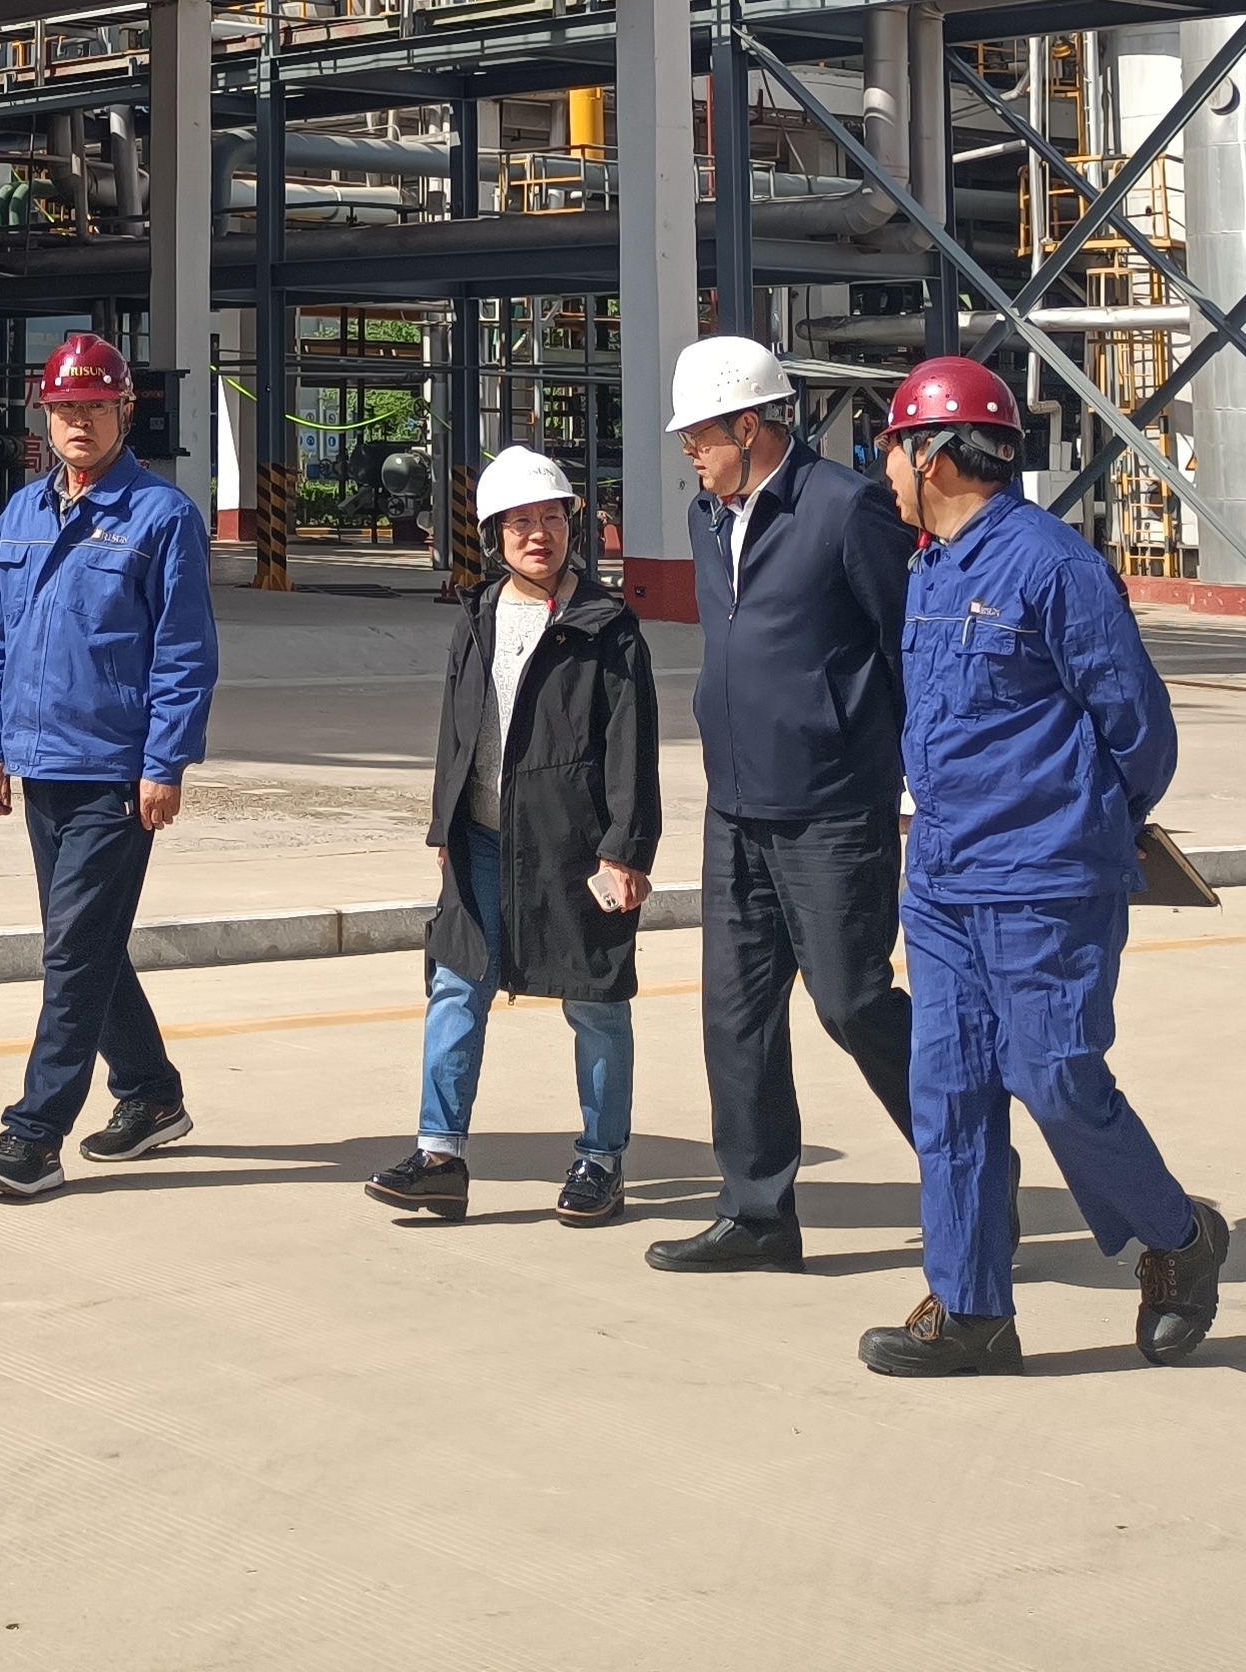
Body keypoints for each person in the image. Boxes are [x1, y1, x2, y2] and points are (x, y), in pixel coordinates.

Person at [861, 355, 1234, 1377]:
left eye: (891, 448)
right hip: (944, 880)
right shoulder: (930, 571)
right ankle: (971, 1309)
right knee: (949, 1093)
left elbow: (1140, 730)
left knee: (1055, 1076)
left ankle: (1179, 1236)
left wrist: (1085, 827)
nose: (883, 469)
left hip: (1043, 880)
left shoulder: (1052, 567)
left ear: (933, 455)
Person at [641, 334, 920, 1279]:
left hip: (833, 808)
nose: (689, 451)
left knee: (852, 1001)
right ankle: (757, 1212)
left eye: (700, 434)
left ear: (751, 426)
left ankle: (971, 1162)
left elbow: (906, 649)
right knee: (736, 1015)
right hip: (736, 808)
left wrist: (911, 783)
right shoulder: (705, 519)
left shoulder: (845, 509)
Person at [371, 445, 660, 1228]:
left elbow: (632, 748)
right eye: (520, 522)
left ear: (571, 527)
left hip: (576, 847)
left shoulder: (606, 627)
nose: (538, 535)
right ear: (494, 535)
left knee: (596, 1001)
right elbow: (456, 728)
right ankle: (440, 1157)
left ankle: (601, 1161)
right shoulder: (477, 617)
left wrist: (627, 848)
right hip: (482, 841)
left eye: (551, 519)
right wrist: (445, 821)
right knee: (456, 984)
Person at [0, 331, 221, 1202]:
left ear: (125, 412)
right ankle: (150, 1094)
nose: (80, 422)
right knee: (83, 943)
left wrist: (165, 762)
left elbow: (184, 654)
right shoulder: (21, 513)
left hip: (116, 771)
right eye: (66, 408)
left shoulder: (162, 517)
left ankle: (34, 1135)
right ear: (46, 414)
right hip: (40, 764)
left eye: (96, 407)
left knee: (72, 954)